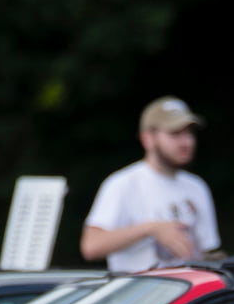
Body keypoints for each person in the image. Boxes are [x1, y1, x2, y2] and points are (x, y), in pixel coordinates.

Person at [81, 96, 220, 274]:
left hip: (189, 296)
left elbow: (205, 252)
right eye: (175, 134)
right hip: (136, 297)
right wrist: (151, 228)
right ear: (148, 139)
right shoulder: (122, 184)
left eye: (189, 133)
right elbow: (91, 246)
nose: (187, 142)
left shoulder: (197, 187)